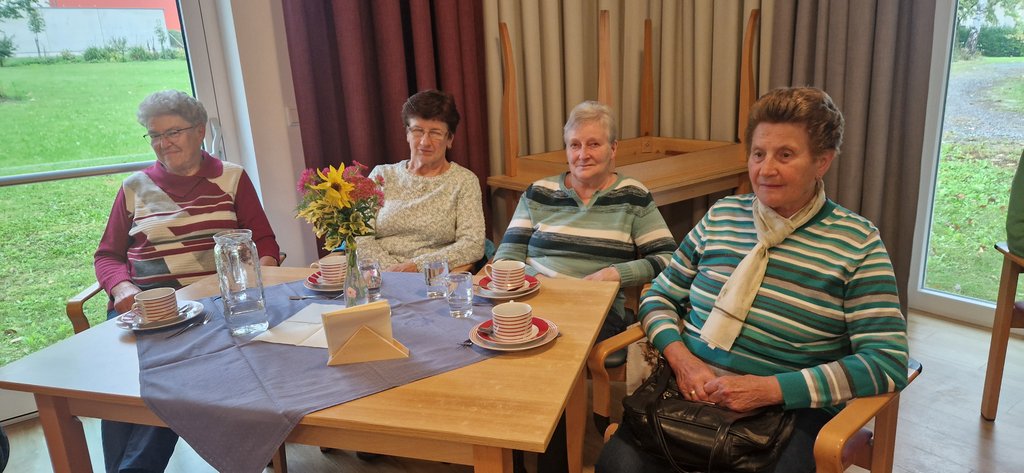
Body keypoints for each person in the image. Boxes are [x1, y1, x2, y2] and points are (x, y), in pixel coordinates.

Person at [595, 87, 910, 473]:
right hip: (688, 390)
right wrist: (682, 360)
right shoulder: (722, 216)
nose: (766, 169)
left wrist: (770, 389)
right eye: (758, 154)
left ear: (822, 162)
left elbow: (887, 361)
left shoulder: (857, 243)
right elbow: (659, 296)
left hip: (788, 411)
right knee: (617, 465)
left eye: (785, 155)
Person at [94, 90, 280, 473]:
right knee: (126, 383)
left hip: (212, 308)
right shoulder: (134, 187)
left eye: (173, 132)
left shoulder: (231, 178)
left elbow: (264, 242)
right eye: (155, 135)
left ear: (200, 131)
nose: (164, 143)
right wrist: (123, 288)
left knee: (166, 377)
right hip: (145, 308)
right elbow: (108, 255)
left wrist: (252, 281)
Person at [493, 100, 676, 342]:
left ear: (613, 148)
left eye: (593, 144)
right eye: (575, 145)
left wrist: (614, 274)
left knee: (557, 346)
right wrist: (540, 283)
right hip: (534, 303)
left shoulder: (633, 196)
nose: (582, 155)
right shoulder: (538, 193)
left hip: (597, 310)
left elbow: (669, 258)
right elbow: (504, 260)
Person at [354, 89, 485, 272]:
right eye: (417, 131)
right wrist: (391, 271)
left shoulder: (464, 181)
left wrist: (417, 266)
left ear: (449, 139)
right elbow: (359, 235)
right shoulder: (381, 175)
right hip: (377, 275)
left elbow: (473, 244)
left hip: (432, 278)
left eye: (435, 133)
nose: (425, 142)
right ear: (407, 134)